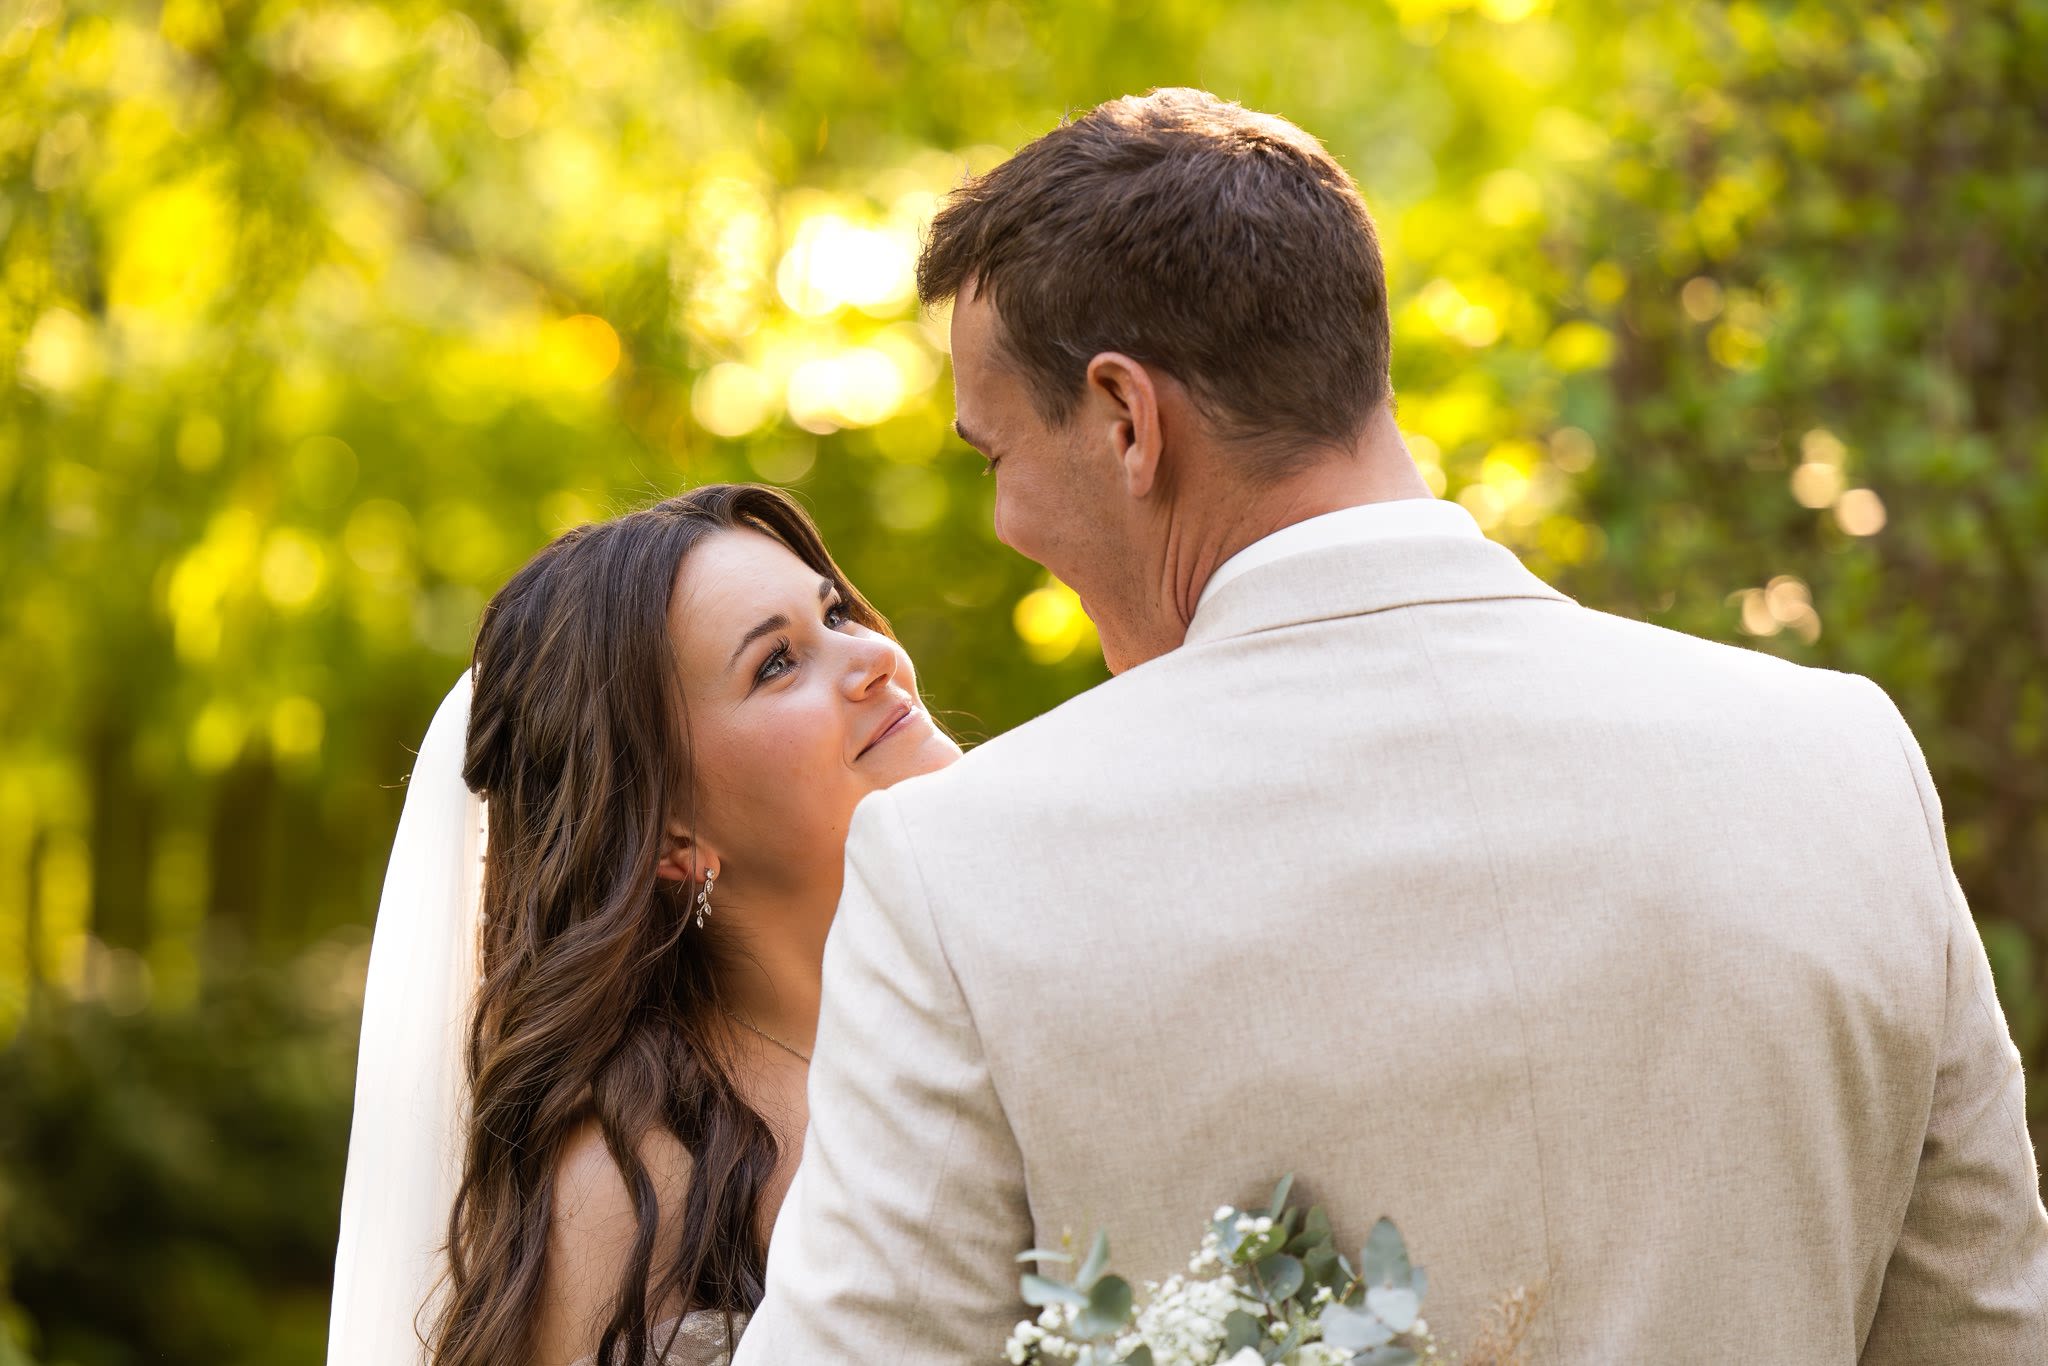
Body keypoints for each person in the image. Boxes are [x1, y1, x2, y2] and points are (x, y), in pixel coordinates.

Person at [732, 90, 2048, 1362]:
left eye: (994, 454)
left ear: (1128, 419)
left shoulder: (960, 868)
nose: (1006, 521)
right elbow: (1988, 1331)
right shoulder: (1840, 763)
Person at [327, 484, 959, 1366]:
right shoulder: (635, 1181)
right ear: (672, 837)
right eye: (777, 662)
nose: (876, 657)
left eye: (836, 614)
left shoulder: (988, 1001)